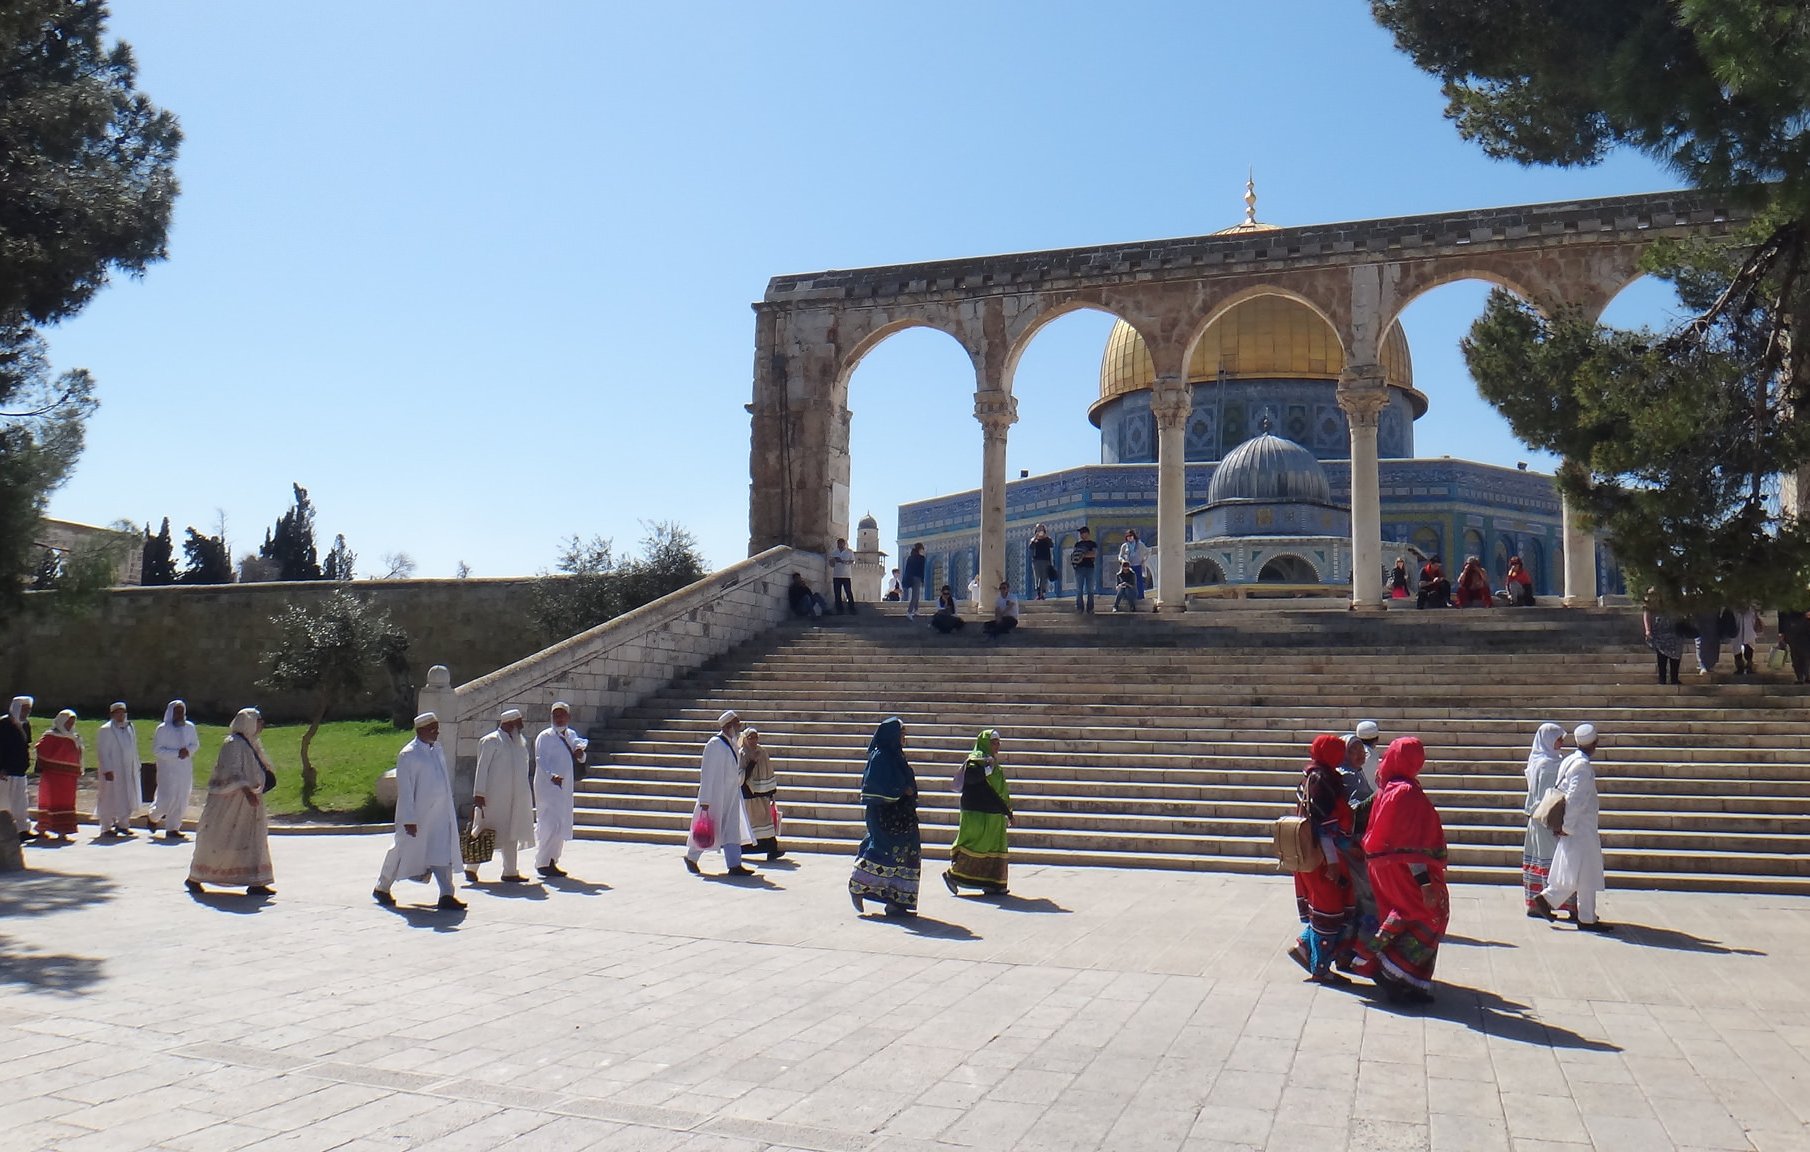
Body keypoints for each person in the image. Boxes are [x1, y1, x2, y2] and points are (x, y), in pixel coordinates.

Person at [1349, 737, 1448, 1005]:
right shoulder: (1404, 792)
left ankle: (1410, 981)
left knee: (1402, 917)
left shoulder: (1388, 788)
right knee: (1430, 915)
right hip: (1403, 867)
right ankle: (1391, 973)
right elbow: (1410, 843)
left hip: (1384, 866)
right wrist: (1425, 883)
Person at [372, 712, 463, 910]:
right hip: (417, 816)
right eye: (433, 729)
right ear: (420, 730)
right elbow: (405, 790)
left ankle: (447, 894)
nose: (437, 732)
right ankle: (382, 886)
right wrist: (409, 818)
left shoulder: (437, 749)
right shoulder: (409, 754)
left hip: (440, 814)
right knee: (402, 849)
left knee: (442, 850)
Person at [1286, 734, 1356, 984]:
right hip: (1323, 860)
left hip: (1313, 857)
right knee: (1329, 911)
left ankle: (1305, 947)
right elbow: (1324, 826)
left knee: (1327, 910)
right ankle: (1321, 968)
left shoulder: (1312, 777)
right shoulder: (1321, 781)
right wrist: (1333, 863)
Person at [186, 708, 275, 896]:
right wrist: (245, 789)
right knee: (220, 838)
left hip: (249, 802)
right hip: (230, 802)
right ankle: (196, 877)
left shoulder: (252, 744)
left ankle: (256, 880)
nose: (261, 725)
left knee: (252, 838)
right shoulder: (233, 744)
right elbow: (230, 771)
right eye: (258, 721)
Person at [1533, 723, 1612, 931]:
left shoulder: (1570, 760)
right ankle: (1574, 911)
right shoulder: (1582, 767)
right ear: (1594, 744)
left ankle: (1571, 908)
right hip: (1580, 828)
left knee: (1576, 871)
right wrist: (1567, 826)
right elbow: (1575, 799)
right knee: (1583, 872)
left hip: (1576, 827)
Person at [849, 717, 920, 916]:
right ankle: (859, 885)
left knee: (908, 854)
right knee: (883, 850)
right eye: (901, 734)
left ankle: (897, 901)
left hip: (904, 816)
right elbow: (873, 789)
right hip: (884, 816)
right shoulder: (880, 757)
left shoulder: (897, 755)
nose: (904, 738)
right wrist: (900, 790)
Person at [468, 708, 535, 883]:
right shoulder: (490, 741)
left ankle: (510, 871)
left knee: (512, 832)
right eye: (518, 723)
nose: (521, 727)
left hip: (515, 797)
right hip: (493, 797)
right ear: (510, 723)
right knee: (485, 830)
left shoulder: (519, 743)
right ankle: (472, 868)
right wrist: (479, 794)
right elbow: (481, 769)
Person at [943, 729, 1012, 896]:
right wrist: (987, 770)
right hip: (978, 811)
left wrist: (1006, 810)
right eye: (994, 742)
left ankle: (994, 882)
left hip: (994, 811)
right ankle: (953, 875)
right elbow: (972, 778)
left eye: (998, 742)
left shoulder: (993, 762)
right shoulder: (977, 760)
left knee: (994, 845)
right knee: (976, 843)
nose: (997, 746)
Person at [686, 710, 753, 875]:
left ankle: (734, 864)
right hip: (715, 796)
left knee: (732, 829)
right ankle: (691, 857)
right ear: (729, 725)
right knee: (709, 829)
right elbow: (707, 773)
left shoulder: (731, 744)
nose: (739, 727)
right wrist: (705, 800)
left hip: (731, 794)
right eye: (737, 724)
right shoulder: (715, 744)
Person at [1521, 722, 1575, 920]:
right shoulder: (1546, 765)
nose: (1561, 743)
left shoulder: (1542, 761)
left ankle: (1538, 903)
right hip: (1545, 819)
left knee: (1543, 858)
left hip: (1539, 819)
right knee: (1553, 861)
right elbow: (1545, 796)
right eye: (1558, 739)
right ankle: (1545, 901)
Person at [533, 702, 586, 877]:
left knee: (561, 822)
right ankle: (542, 861)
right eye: (555, 715)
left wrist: (581, 754)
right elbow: (541, 759)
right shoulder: (545, 736)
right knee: (548, 823)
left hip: (564, 786)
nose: (558, 718)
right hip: (547, 786)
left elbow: (580, 755)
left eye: (561, 714)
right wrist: (551, 775)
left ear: (568, 717)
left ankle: (552, 860)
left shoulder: (571, 735)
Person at [150, 699, 200, 839]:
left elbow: (195, 744)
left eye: (181, 711)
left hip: (184, 770)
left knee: (181, 798)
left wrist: (188, 751)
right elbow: (157, 750)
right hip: (168, 770)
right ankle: (153, 817)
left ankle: (173, 828)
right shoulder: (162, 729)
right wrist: (176, 753)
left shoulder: (190, 727)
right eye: (177, 712)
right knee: (166, 799)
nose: (179, 714)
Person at [33, 709, 82, 841]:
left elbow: (78, 754)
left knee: (66, 802)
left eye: (72, 722)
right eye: (68, 721)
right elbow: (41, 749)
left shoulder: (74, 737)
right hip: (52, 777)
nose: (70, 724)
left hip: (68, 778)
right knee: (49, 801)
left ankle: (63, 830)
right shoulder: (50, 735)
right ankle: (43, 829)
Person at [94, 702, 139, 838]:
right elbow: (103, 751)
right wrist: (107, 769)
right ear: (112, 714)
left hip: (128, 769)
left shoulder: (129, 727)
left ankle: (124, 824)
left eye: (123, 712)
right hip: (113, 769)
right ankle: (106, 826)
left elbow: (133, 748)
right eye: (118, 712)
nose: (121, 715)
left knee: (127, 796)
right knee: (109, 797)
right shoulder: (106, 729)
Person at [740, 726, 783, 861]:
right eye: (750, 738)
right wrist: (753, 761)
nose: (753, 740)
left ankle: (771, 849)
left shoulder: (762, 752)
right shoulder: (742, 753)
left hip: (762, 793)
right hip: (748, 793)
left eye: (755, 737)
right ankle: (744, 850)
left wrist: (771, 791)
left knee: (765, 822)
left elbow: (768, 770)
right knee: (751, 823)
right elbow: (741, 775)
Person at [2, 696, 31, 842]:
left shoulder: (25, 725)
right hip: (6, 771)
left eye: (28, 709)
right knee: (5, 802)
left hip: (20, 769)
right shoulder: (4, 724)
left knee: (21, 802)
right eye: (24, 708)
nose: (26, 712)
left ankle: (22, 829)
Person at [1643, 589, 1684, 685]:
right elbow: (1647, 612)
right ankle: (1662, 678)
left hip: (1675, 630)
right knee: (1661, 656)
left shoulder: (1676, 591)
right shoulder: (1653, 593)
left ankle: (1674, 678)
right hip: (1660, 631)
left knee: (1676, 655)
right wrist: (1648, 629)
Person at [1071, 527, 1098, 613]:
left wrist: (1082, 555)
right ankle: (1080, 608)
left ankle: (1090, 608)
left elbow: (1093, 554)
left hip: (1089, 568)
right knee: (1079, 589)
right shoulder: (1077, 544)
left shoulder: (1092, 544)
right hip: (1079, 568)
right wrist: (1083, 555)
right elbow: (1074, 556)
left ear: (1087, 533)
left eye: (1083, 533)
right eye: (1081, 533)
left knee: (1090, 589)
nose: (1081, 535)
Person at [1780, 607, 1810, 684]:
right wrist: (1781, 632)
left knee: (1806, 654)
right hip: (1791, 628)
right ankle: (1801, 676)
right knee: (1796, 654)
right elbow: (1782, 614)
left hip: (1805, 628)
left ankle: (1806, 674)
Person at [1119, 529, 1148, 606]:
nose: (1130, 538)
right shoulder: (1124, 546)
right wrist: (1123, 561)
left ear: (1134, 536)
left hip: (1137, 565)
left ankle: (1140, 596)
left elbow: (1147, 552)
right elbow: (1120, 556)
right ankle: (1126, 597)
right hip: (1128, 567)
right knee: (1127, 582)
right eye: (1128, 536)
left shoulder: (1140, 544)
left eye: (1131, 536)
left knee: (1139, 581)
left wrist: (1143, 560)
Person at [829, 537, 857, 615]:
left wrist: (843, 561)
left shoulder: (849, 552)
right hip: (836, 575)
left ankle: (852, 608)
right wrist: (833, 560)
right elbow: (831, 564)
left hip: (846, 575)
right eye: (838, 543)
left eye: (841, 543)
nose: (840, 545)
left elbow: (852, 561)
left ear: (844, 544)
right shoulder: (834, 552)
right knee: (837, 593)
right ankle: (839, 610)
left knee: (848, 592)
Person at [1731, 605, 1760, 675]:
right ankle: (1739, 666)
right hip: (1737, 618)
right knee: (1737, 645)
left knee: (1749, 644)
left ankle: (1749, 665)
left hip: (1749, 618)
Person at [1029, 524, 1055, 600]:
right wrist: (1035, 538)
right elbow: (1030, 547)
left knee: (1044, 578)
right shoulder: (1034, 539)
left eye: (1041, 528)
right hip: (1036, 561)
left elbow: (1051, 545)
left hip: (1046, 560)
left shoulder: (1047, 539)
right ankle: (1038, 593)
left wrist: (1045, 537)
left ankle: (1042, 593)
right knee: (1037, 577)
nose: (1040, 530)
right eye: (1038, 529)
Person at [902, 544, 927, 621]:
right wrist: (922, 580)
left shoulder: (910, 558)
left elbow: (907, 569)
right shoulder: (922, 558)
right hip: (917, 578)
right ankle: (909, 612)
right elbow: (922, 570)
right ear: (920, 549)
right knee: (915, 595)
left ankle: (916, 610)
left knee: (916, 595)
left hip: (910, 577)